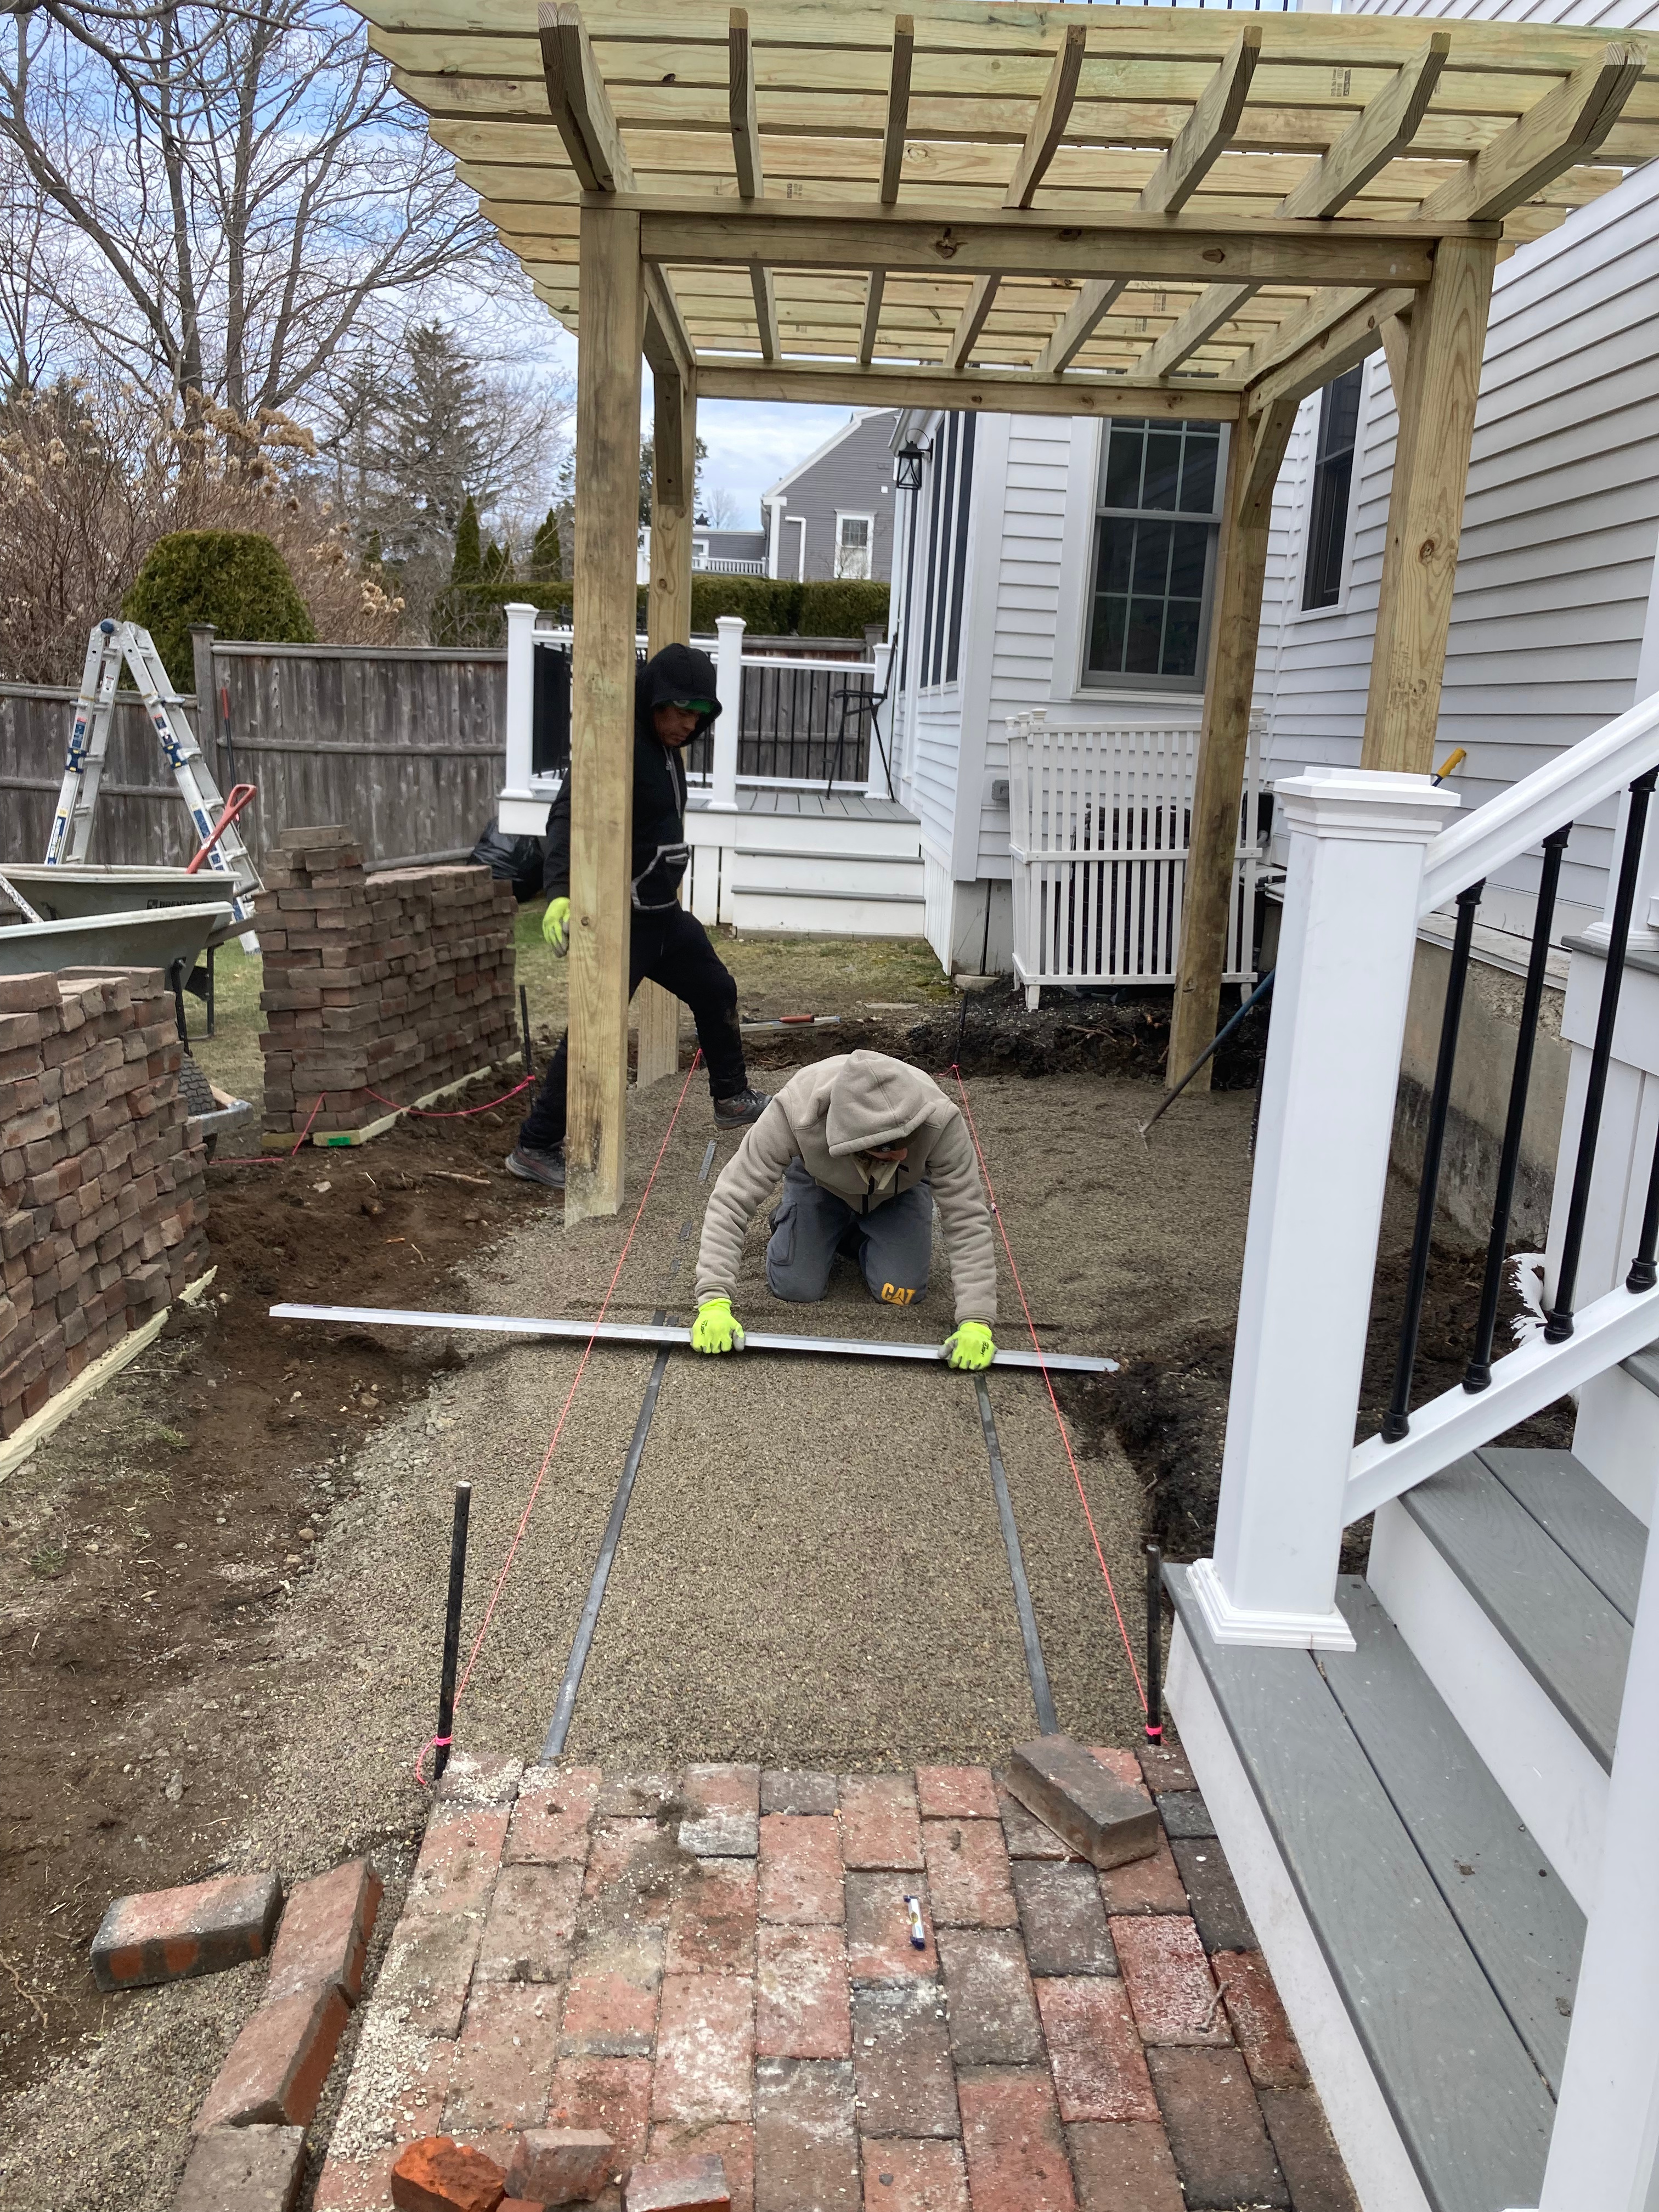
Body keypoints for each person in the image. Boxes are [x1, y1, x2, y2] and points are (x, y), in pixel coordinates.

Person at [507, 642, 770, 1189]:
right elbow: (566, 817)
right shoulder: (615, 745)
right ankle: (535, 1146)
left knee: (716, 987)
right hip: (619, 920)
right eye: (677, 712)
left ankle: (731, 1097)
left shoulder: (668, 748)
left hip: (661, 917)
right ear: (654, 699)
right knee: (594, 1033)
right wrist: (559, 893)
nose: (686, 725)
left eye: (697, 717)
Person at [689, 1048, 998, 1370]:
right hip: (820, 1182)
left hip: (900, 1192)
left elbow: (967, 1217)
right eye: (887, 1148)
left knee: (902, 1292)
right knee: (797, 1288)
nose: (902, 1153)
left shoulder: (941, 1120)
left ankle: (850, 1232)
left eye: (909, 1140)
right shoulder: (794, 1112)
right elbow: (731, 1199)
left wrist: (976, 1320)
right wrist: (714, 1302)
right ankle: (799, 1219)